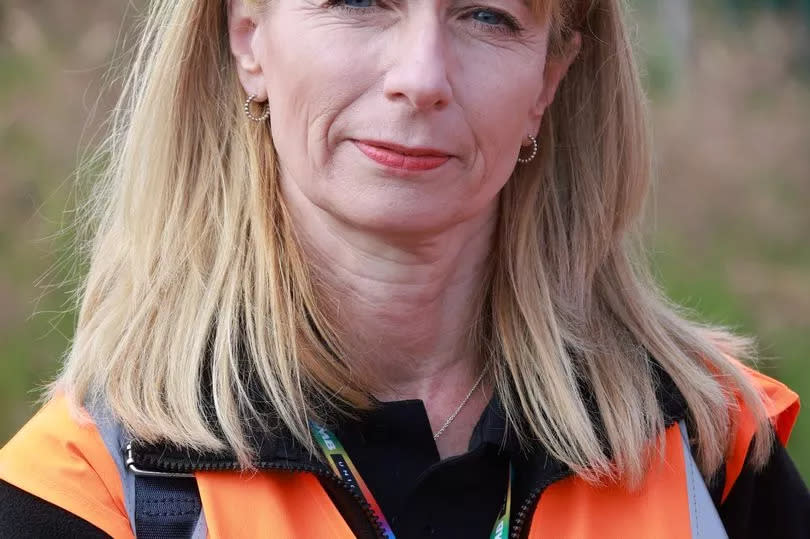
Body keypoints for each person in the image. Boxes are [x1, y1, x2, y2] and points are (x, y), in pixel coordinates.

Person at [0, 0, 807, 537]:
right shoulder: (91, 490)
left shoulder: (710, 451)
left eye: (487, 15)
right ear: (249, 34)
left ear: (547, 81)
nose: (420, 77)